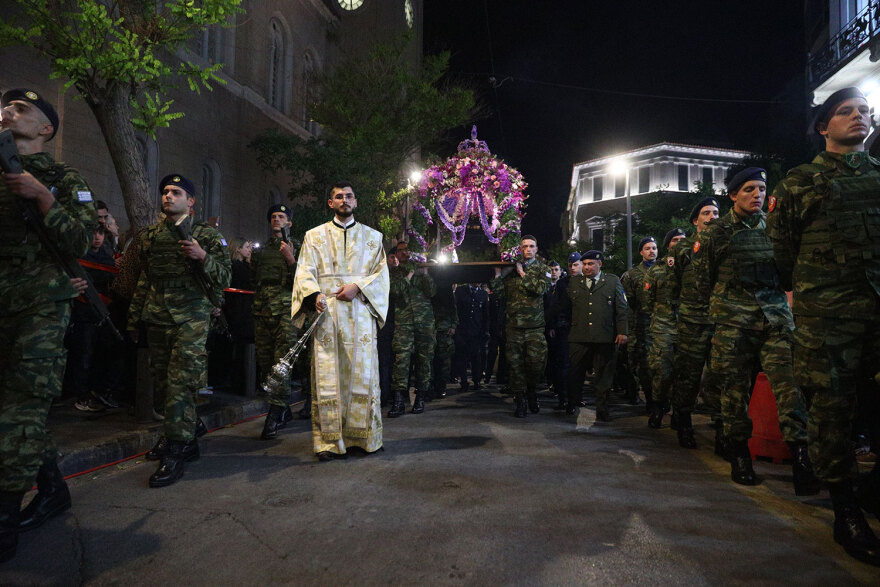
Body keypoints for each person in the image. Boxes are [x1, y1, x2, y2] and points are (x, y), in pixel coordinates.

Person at [766, 87, 880, 566]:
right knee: (831, 412)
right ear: (823, 126)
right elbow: (783, 251)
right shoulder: (799, 183)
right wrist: (817, 292)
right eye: (845, 112)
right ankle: (845, 508)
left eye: (864, 111)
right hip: (826, 318)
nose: (858, 117)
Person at [0, 88, 98, 562]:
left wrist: (42, 197)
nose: (7, 111)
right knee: (20, 413)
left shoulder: (64, 178)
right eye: (5, 105)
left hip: (40, 307)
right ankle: (54, 490)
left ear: (45, 129)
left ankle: (4, 522)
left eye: (21, 109)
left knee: (19, 408)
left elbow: (80, 240)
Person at [693, 166, 817, 496]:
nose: (757, 195)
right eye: (748, 189)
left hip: (775, 318)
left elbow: (789, 269)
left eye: (761, 189)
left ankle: (801, 455)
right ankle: (740, 454)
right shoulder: (716, 233)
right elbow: (703, 280)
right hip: (734, 322)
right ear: (733, 194)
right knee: (734, 391)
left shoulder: (776, 228)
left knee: (790, 386)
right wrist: (725, 309)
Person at [128, 174, 231, 488]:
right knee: (162, 385)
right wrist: (134, 318)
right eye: (166, 192)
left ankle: (176, 450)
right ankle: (187, 431)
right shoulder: (149, 237)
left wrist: (202, 257)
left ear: (191, 201)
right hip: (158, 315)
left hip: (192, 316)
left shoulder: (208, 236)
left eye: (176, 192)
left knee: (180, 383)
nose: (168, 197)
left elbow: (224, 276)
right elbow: (145, 280)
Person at [290, 182, 389, 460]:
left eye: (348, 196)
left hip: (360, 315)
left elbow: (381, 276)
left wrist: (357, 287)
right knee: (327, 378)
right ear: (330, 203)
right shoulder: (314, 236)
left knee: (363, 377)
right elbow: (305, 271)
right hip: (328, 317)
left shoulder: (373, 238)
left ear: (355, 202)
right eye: (338, 197)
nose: (344, 200)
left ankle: (363, 439)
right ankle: (329, 443)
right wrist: (314, 296)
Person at [670, 196, 722, 450]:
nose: (712, 217)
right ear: (696, 220)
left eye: (715, 212)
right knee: (688, 377)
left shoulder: (726, 244)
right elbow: (675, 284)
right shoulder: (682, 248)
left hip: (722, 320)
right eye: (706, 213)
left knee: (721, 377)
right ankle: (684, 420)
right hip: (692, 321)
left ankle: (723, 430)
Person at [490, 235, 550, 418]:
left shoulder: (543, 269)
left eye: (531, 246)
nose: (528, 249)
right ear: (520, 249)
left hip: (534, 327)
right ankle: (521, 399)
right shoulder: (511, 271)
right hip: (514, 327)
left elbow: (541, 289)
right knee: (515, 366)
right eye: (524, 246)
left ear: (536, 249)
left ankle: (532, 391)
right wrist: (499, 276)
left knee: (536, 364)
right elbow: (499, 294)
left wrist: (523, 273)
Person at [563, 250, 628, 421]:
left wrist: (622, 331)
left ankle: (602, 408)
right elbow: (565, 308)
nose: (586, 267)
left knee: (603, 376)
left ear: (600, 264)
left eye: (590, 264)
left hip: (604, 336)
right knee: (575, 373)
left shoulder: (612, 281)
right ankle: (572, 403)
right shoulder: (574, 282)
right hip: (579, 336)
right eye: (584, 264)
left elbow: (621, 308)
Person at [254, 204, 299, 439]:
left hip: (286, 312)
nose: (276, 220)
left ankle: (276, 411)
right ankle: (282, 407)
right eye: (273, 216)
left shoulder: (298, 247)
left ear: (289, 223)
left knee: (282, 362)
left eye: (282, 217)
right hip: (263, 311)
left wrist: (291, 259)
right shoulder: (261, 250)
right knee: (264, 362)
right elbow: (256, 279)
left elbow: (305, 282)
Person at [643, 228, 686, 428]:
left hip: (689, 327)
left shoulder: (696, 265)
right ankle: (659, 406)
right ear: (668, 245)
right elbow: (647, 302)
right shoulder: (657, 270)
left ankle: (681, 414)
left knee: (686, 375)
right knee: (662, 371)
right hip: (663, 327)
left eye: (682, 240)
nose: (678, 243)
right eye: (674, 240)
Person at [387, 242, 436, 416]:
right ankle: (399, 401)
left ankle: (420, 398)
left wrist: (425, 274)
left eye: (406, 250)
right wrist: (410, 273)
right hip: (404, 323)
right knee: (401, 361)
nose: (404, 253)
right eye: (400, 250)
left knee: (424, 360)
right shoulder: (393, 273)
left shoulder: (421, 271)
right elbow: (396, 291)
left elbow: (431, 292)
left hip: (424, 323)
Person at [621, 236, 658, 410]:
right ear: (641, 252)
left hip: (659, 325)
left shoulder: (664, 271)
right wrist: (627, 329)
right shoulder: (631, 275)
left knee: (654, 365)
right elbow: (626, 304)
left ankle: (654, 400)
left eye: (654, 248)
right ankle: (634, 392)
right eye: (648, 248)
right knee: (634, 362)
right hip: (638, 325)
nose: (652, 251)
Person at [545, 260, 571, 410]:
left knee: (563, 362)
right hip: (550, 327)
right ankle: (553, 384)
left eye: (556, 269)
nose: (554, 272)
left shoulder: (563, 286)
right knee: (553, 360)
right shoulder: (546, 287)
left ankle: (564, 391)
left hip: (562, 328)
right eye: (551, 269)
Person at [453, 281, 488, 392]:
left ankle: (476, 381)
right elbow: (456, 308)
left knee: (476, 357)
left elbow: (485, 314)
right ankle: (463, 381)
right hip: (462, 329)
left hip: (476, 330)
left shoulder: (483, 294)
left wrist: (485, 330)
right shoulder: (460, 290)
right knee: (462, 356)